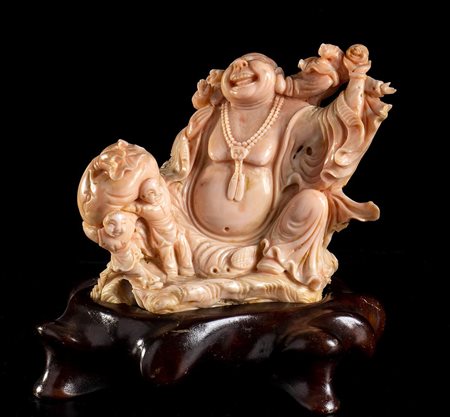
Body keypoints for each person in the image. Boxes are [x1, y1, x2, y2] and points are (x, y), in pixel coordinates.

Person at [124, 178, 195, 279]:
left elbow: (161, 184)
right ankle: (172, 276)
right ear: (143, 197)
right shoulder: (145, 208)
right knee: (168, 256)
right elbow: (127, 206)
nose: (156, 194)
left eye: (156, 191)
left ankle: (187, 270)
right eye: (151, 193)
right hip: (162, 237)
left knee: (184, 251)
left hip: (176, 231)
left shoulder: (164, 199)